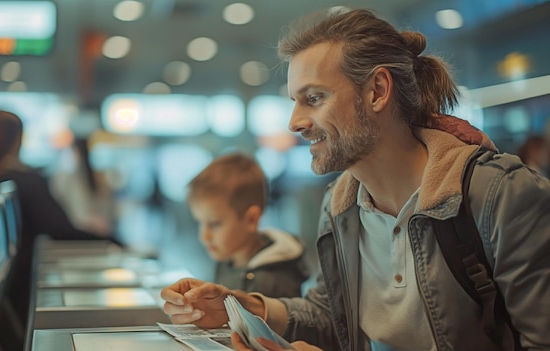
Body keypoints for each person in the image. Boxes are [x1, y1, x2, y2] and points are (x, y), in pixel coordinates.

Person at [161, 8, 550, 351]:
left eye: (313, 98)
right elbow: (332, 314)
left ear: (377, 91)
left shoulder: (501, 196)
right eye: (294, 101)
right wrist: (242, 307)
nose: (294, 122)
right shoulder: (340, 206)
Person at [0, 110, 122, 349]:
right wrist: (110, 239)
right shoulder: (24, 180)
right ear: (19, 139)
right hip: (22, 288)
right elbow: (60, 229)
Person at [186, 152, 309, 298]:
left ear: (251, 219)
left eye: (214, 224)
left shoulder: (271, 281)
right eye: (200, 222)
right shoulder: (226, 260)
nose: (204, 236)